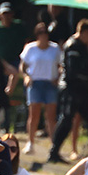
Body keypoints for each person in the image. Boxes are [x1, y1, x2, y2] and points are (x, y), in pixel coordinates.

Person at [47, 19, 88, 164]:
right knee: (67, 120)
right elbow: (73, 71)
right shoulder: (74, 46)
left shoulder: (79, 46)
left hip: (79, 89)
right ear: (86, 32)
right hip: (72, 89)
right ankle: (54, 151)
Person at [19, 23, 61, 154]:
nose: (44, 37)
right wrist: (26, 76)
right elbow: (23, 66)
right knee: (34, 114)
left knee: (51, 115)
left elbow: (61, 65)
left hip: (50, 83)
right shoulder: (30, 48)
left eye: (46, 35)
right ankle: (30, 142)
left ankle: (54, 144)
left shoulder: (55, 48)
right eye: (41, 34)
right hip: (35, 83)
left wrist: (58, 77)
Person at [0, 2, 27, 129]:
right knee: (0, 94)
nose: (6, 16)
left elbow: (27, 42)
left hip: (18, 62)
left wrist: (22, 61)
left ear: (12, 14)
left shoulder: (20, 27)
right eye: (4, 14)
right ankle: (1, 123)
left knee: (21, 93)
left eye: (8, 13)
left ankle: (23, 124)